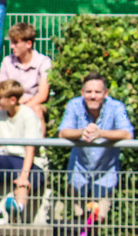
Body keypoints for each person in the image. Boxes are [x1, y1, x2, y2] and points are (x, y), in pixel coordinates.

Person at [57, 71, 133, 223]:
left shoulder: (116, 106)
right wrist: (81, 132)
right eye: (89, 91)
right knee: (79, 221)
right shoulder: (74, 104)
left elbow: (127, 134)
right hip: (79, 172)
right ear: (82, 92)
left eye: (97, 92)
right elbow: (63, 132)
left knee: (97, 220)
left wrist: (101, 133)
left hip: (106, 174)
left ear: (105, 93)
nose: (93, 96)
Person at [0, 79, 45, 224]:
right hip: (7, 158)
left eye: (0, 98)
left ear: (13, 100)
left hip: (29, 162)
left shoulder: (28, 115)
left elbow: (30, 150)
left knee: (22, 183)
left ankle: (17, 209)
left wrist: (24, 176)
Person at [0, 22, 50, 126]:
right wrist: (15, 104)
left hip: (33, 104)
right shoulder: (7, 61)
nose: (11, 46)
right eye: (11, 42)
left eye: (15, 42)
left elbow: (42, 95)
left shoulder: (44, 61)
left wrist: (22, 109)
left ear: (29, 44)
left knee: (36, 111)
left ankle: (37, 142)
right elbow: (0, 91)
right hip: (9, 103)